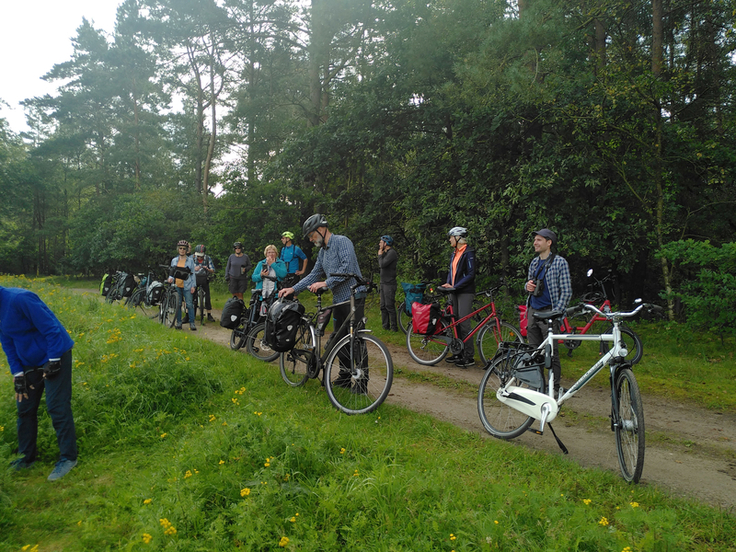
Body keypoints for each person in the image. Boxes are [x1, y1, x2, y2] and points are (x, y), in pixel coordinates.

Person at [278, 214, 367, 391]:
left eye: (311, 235)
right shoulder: (322, 253)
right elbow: (313, 275)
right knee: (339, 338)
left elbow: (347, 268)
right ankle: (344, 376)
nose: (311, 239)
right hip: (339, 300)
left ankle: (362, 382)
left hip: (355, 295)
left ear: (321, 229)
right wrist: (294, 289)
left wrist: (326, 283)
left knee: (355, 339)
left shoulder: (342, 242)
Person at [0, 285, 77, 481]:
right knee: (24, 407)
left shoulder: (20, 299)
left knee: (56, 406)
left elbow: (51, 327)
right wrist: (17, 374)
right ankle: (26, 458)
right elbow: (7, 341)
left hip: (55, 352)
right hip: (28, 361)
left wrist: (53, 360)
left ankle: (68, 457)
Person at [524, 228, 572, 397]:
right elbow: (528, 284)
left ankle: (554, 388)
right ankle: (536, 385)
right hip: (533, 311)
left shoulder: (560, 263)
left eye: (538, 240)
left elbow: (566, 291)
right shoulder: (534, 263)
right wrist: (527, 287)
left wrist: (556, 312)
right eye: (535, 240)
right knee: (533, 351)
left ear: (549, 243)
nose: (535, 243)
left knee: (552, 354)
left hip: (549, 313)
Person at [440, 227, 476, 368]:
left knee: (464, 322)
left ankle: (469, 355)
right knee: (454, 321)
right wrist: (449, 283)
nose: (449, 240)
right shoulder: (454, 253)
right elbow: (451, 270)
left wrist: (456, 286)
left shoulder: (468, 252)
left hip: (465, 291)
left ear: (458, 238)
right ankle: (457, 352)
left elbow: (471, 274)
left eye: (451, 237)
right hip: (454, 290)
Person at [168, 239, 197, 331]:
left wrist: (193, 286)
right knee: (178, 304)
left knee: (189, 304)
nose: (182, 250)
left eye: (184, 248)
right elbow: (172, 272)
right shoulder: (174, 260)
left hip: (187, 285)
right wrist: (170, 278)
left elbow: (193, 274)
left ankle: (192, 323)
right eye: (180, 248)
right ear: (178, 249)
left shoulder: (190, 260)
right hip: (177, 285)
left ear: (186, 250)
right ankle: (179, 322)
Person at [377, 235, 399, 332]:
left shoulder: (392, 253)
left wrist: (379, 255)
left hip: (389, 283)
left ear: (386, 243)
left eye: (381, 242)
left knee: (389, 305)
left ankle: (394, 328)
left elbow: (382, 264)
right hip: (383, 283)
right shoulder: (386, 253)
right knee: (383, 306)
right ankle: (385, 327)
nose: (379, 244)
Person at [192, 244, 216, 323]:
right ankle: (191, 313)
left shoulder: (207, 258)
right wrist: (194, 269)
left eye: (201, 256)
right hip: (194, 279)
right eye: (198, 256)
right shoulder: (191, 258)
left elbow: (213, 270)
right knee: (192, 295)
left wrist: (208, 269)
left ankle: (209, 314)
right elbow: (187, 269)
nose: (199, 258)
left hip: (204, 278)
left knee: (207, 296)